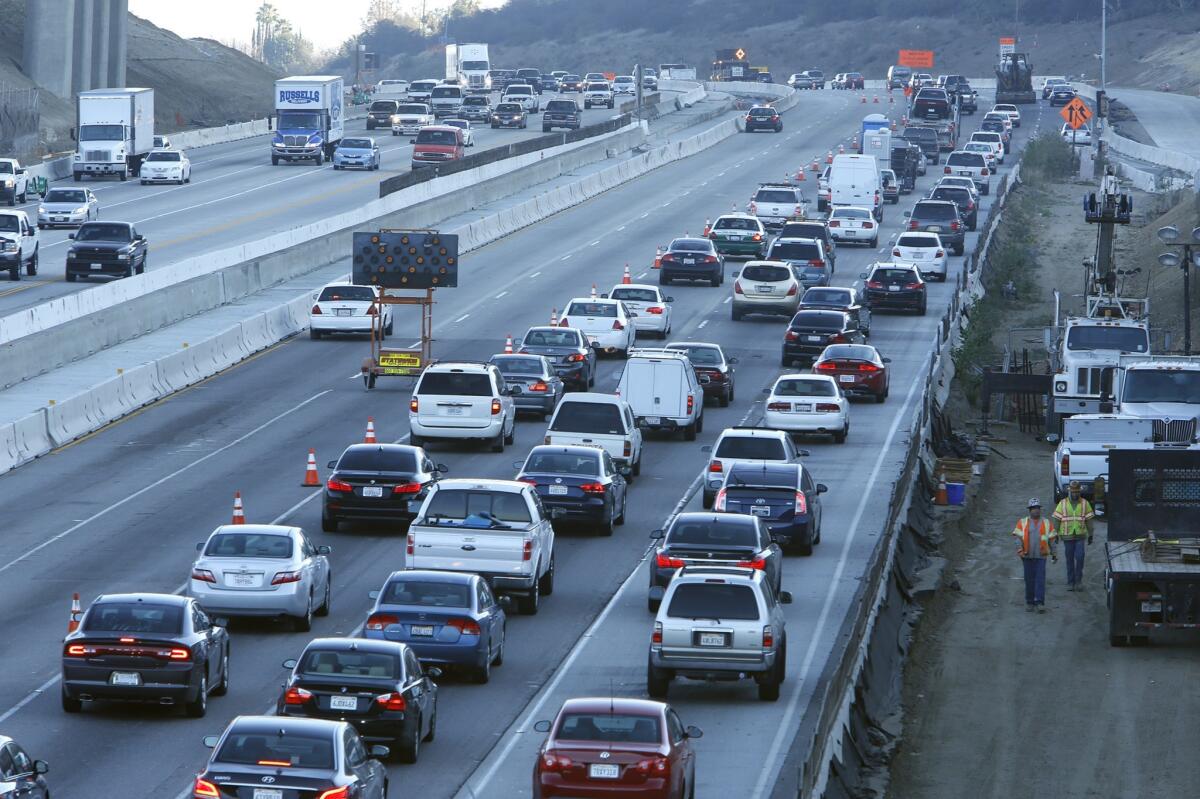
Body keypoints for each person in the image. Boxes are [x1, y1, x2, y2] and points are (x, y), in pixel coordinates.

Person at [1012, 498, 1057, 612]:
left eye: (1037, 508)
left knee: (1040, 580)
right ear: (1029, 510)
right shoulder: (1022, 522)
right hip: (1027, 556)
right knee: (1029, 580)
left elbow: (1052, 540)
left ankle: (1040, 602)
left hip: (1041, 556)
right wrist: (1020, 551)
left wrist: (1054, 553)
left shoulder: (1047, 523)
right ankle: (1030, 602)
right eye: (1033, 509)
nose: (1036, 511)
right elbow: (1018, 539)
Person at [1053, 481, 1095, 591]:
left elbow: (1089, 520)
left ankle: (1078, 581)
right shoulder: (1062, 504)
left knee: (1080, 558)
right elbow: (1057, 520)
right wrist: (1055, 534)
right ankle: (1070, 582)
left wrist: (1091, 534)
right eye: (1073, 492)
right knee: (1069, 559)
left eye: (1077, 492)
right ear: (1070, 491)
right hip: (1067, 537)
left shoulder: (1085, 503)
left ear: (1079, 491)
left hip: (1080, 536)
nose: (1075, 494)